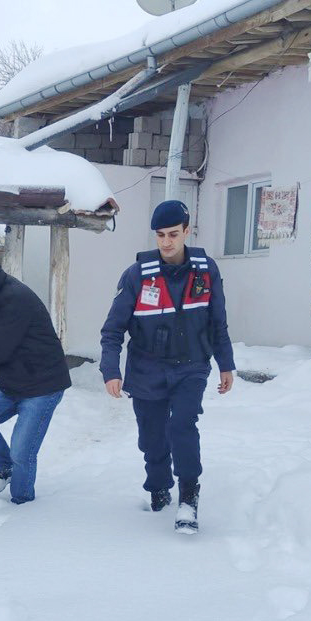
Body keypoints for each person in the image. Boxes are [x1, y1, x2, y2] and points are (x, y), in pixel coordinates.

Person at [100, 200, 235, 535]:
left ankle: (189, 495)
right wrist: (110, 369)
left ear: (187, 231)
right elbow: (113, 329)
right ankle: (158, 488)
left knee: (183, 426)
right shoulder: (137, 276)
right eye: (160, 235)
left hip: (191, 366)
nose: (166, 242)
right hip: (147, 369)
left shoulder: (206, 271)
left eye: (173, 234)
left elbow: (218, 322)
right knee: (152, 437)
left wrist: (226, 364)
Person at [0, 250, 71, 504]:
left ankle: (21, 504)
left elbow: (0, 347)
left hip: (43, 385)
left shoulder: (15, 298)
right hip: (14, 380)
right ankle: (4, 468)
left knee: (22, 450)